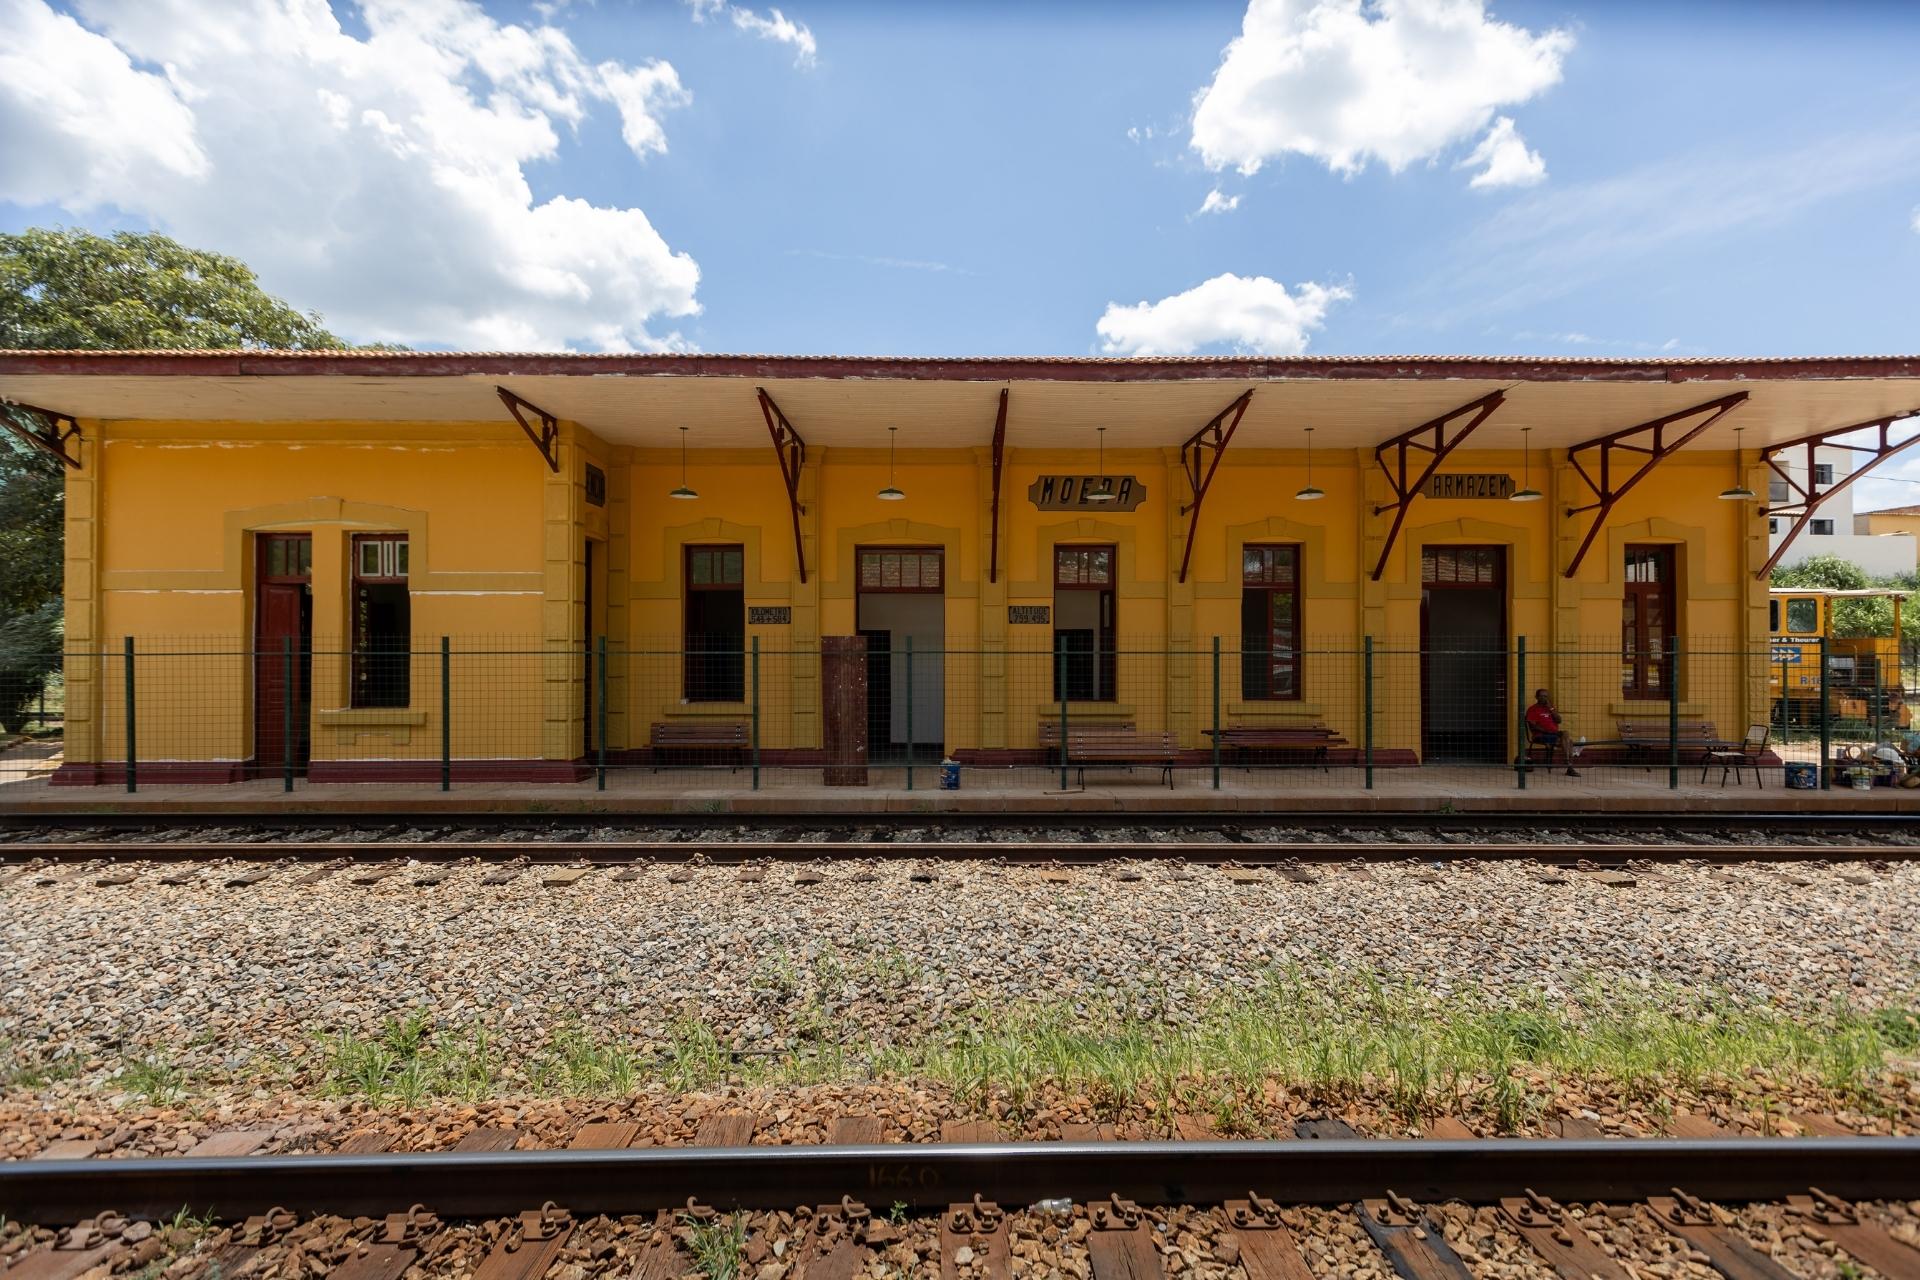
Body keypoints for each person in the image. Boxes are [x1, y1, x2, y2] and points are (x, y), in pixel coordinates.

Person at [1524, 688, 1580, 777]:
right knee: (1568, 741)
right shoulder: (1532, 709)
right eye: (1541, 696)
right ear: (1536, 697)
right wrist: (1548, 731)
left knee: (1566, 736)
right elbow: (1533, 726)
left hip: (1554, 734)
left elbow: (1559, 720)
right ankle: (1569, 765)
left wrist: (1551, 708)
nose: (1544, 698)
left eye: (1545, 696)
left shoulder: (1550, 708)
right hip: (1541, 735)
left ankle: (1568, 762)